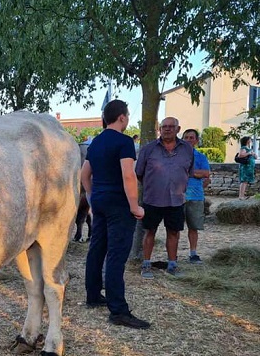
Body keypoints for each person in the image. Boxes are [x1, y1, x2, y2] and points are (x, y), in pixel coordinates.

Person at [81, 100, 149, 329]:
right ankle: (118, 310)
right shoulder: (124, 141)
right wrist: (134, 206)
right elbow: (128, 176)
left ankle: (92, 295)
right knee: (116, 256)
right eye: (127, 116)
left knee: (97, 248)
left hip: (100, 201)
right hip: (119, 204)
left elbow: (84, 175)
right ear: (121, 117)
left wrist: (92, 196)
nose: (127, 119)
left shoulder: (96, 141)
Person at [136, 117, 194, 278]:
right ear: (159, 129)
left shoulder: (187, 150)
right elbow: (139, 173)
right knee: (149, 232)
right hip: (152, 199)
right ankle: (146, 264)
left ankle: (172, 265)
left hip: (176, 200)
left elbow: (189, 171)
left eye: (171, 126)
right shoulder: (149, 149)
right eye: (164, 127)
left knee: (174, 232)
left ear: (178, 128)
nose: (167, 129)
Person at [182, 129, 211, 264]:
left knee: (193, 227)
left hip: (195, 196)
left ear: (196, 141)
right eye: (186, 137)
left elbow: (206, 173)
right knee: (174, 228)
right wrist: (195, 173)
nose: (189, 140)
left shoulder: (201, 157)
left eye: (191, 138)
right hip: (178, 196)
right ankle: (172, 255)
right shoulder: (175, 156)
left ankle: (193, 253)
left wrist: (187, 172)